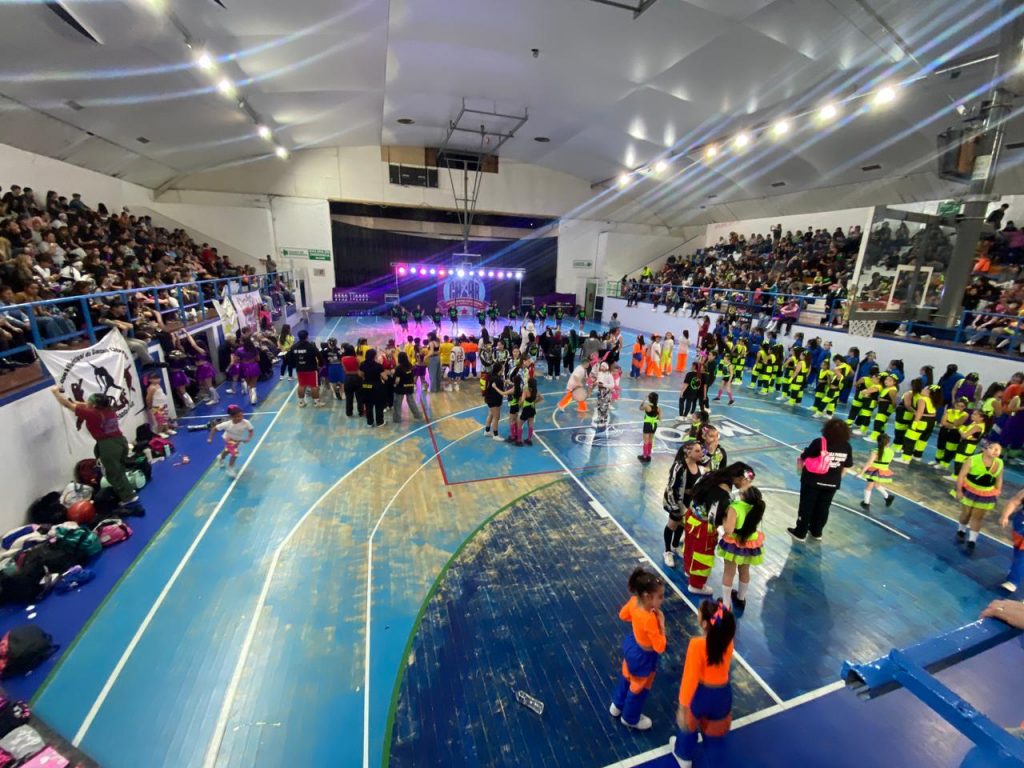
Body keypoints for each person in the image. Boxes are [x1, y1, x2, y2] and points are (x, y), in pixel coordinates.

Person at [51, 388, 143, 514]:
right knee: (120, 471)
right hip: (120, 442)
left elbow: (67, 405)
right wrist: (82, 403)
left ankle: (130, 500)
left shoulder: (92, 414)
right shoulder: (109, 410)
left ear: (94, 405)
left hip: (109, 445)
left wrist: (55, 392)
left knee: (113, 474)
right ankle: (129, 493)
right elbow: (83, 404)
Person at [668, 599, 735, 768]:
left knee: (688, 726)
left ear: (704, 623)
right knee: (715, 735)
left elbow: (689, 678)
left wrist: (683, 707)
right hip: (723, 694)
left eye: (699, 611)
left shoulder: (697, 645)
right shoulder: (728, 641)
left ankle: (683, 756)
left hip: (701, 695)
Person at [609, 567, 666, 732]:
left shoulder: (634, 602)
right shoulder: (650, 619)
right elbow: (660, 647)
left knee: (626, 677)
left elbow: (623, 615)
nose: (662, 600)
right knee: (638, 687)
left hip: (632, 647)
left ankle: (616, 706)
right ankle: (630, 718)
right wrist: (661, 625)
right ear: (648, 597)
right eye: (660, 597)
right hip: (644, 657)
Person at [684, 463, 755, 595]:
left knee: (690, 548)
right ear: (741, 479)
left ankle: (688, 571)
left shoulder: (712, 475)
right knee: (702, 556)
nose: (749, 485)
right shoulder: (723, 495)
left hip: (691, 518)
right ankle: (696, 585)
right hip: (704, 528)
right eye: (748, 482)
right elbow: (715, 518)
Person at [788, 418, 854, 542]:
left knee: (807, 506)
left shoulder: (820, 442)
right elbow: (847, 466)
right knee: (824, 508)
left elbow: (804, 456)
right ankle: (817, 532)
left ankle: (800, 532)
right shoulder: (847, 446)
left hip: (812, 481)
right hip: (833, 483)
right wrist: (836, 478)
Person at [718, 488, 766, 612]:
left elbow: (728, 529)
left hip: (735, 543)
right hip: (750, 543)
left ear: (742, 496)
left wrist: (723, 520)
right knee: (745, 570)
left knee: (729, 572)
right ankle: (741, 598)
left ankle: (726, 604)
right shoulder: (756, 507)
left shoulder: (735, 507)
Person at [956, 440, 1004, 553]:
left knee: (977, 517)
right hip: (970, 490)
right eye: (993, 448)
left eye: (998, 449)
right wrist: (959, 491)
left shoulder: (1000, 463)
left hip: (986, 493)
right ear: (984, 449)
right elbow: (961, 476)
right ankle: (961, 530)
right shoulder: (972, 459)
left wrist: (998, 491)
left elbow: (999, 478)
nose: (996, 451)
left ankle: (972, 541)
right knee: (966, 514)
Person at [208, 404, 254, 478]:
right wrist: (210, 438)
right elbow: (214, 429)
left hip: (237, 440)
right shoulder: (227, 424)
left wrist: (249, 438)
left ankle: (220, 457)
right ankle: (230, 468)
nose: (241, 418)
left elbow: (251, 430)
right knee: (234, 454)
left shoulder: (246, 422)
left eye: (242, 416)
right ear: (231, 417)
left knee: (227, 451)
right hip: (228, 439)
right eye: (238, 416)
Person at [286, 330, 324, 408]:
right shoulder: (311, 346)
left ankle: (301, 402)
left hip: (300, 369)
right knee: (314, 385)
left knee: (301, 385)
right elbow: (319, 355)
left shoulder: (294, 347)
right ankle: (316, 402)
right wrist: (321, 364)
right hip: (311, 369)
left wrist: (294, 365)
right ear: (307, 336)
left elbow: (289, 358)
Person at [997, 488, 1024, 593]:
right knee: (1018, 550)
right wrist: (1005, 516)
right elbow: (1014, 501)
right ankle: (1015, 570)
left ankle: (1013, 581)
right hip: (1020, 525)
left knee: (1021, 554)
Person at [859, 434, 896, 509]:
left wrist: (861, 472)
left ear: (878, 442)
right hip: (883, 471)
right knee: (877, 485)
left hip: (873, 471)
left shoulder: (875, 451)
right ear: (888, 442)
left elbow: (869, 463)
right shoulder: (891, 452)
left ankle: (866, 503)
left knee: (869, 487)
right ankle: (888, 497)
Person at [392, 352, 424, 423]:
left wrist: (394, 384)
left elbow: (397, 380)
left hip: (400, 388)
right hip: (409, 386)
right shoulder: (410, 366)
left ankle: (397, 419)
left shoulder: (399, 368)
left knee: (398, 403)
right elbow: (413, 376)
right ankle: (417, 415)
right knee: (411, 401)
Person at [360, 348, 389, 427]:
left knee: (368, 405)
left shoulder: (362, 364)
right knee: (378, 405)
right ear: (374, 356)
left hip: (366, 386)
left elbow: (361, 375)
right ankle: (380, 422)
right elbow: (385, 378)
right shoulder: (378, 366)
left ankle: (370, 422)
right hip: (377, 387)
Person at [483, 362, 511, 440]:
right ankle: (495, 435)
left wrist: (505, 381)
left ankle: (487, 431)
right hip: (494, 400)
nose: (503, 368)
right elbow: (502, 391)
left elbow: (500, 380)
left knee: (491, 415)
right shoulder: (497, 379)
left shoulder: (492, 375)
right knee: (496, 417)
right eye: (502, 367)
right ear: (500, 369)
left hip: (489, 398)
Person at [517, 376, 542, 446]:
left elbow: (522, 401)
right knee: (530, 424)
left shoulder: (526, 391)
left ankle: (519, 440)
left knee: (519, 424)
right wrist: (534, 402)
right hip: (532, 409)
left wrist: (519, 405)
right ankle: (529, 439)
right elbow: (541, 398)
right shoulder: (536, 391)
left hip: (526, 409)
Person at [639, 392, 660, 463]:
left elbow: (640, 408)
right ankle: (648, 455)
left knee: (646, 441)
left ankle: (644, 456)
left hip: (647, 424)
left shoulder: (647, 406)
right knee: (651, 440)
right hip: (654, 425)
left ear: (649, 399)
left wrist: (643, 400)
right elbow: (659, 418)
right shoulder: (658, 408)